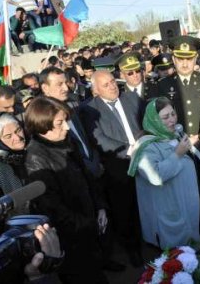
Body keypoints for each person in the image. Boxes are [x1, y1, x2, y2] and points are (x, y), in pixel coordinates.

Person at [24, 96, 108, 283]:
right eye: (60, 123)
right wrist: (89, 224)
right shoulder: (36, 158)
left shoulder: (65, 141)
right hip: (71, 242)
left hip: (88, 231)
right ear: (42, 125)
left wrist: (100, 206)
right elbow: (53, 208)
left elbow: (87, 177)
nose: (68, 127)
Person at [127, 97, 200, 248]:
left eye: (173, 114)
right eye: (165, 117)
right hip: (170, 213)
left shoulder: (175, 134)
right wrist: (177, 154)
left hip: (186, 205)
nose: (172, 120)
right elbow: (155, 176)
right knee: (175, 262)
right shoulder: (146, 146)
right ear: (154, 120)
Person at [80, 70, 144, 267]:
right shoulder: (89, 109)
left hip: (145, 159)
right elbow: (99, 139)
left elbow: (146, 122)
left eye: (113, 82)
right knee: (125, 209)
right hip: (118, 166)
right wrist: (131, 150)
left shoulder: (132, 98)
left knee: (145, 203)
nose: (113, 86)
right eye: (106, 85)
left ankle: (149, 236)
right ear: (96, 90)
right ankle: (132, 248)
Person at [155, 35, 200, 136]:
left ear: (196, 58)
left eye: (189, 59)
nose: (185, 64)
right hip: (176, 144)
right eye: (180, 59)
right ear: (173, 59)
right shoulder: (162, 85)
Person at [0, 114, 27, 212]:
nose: (17, 137)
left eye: (18, 130)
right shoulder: (1, 168)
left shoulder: (35, 150)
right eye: (8, 136)